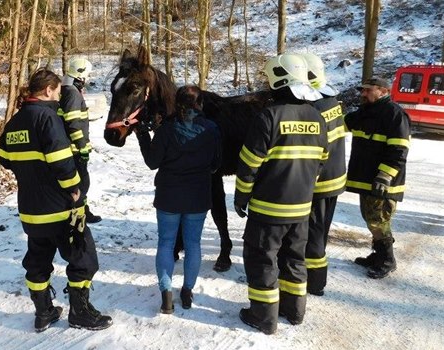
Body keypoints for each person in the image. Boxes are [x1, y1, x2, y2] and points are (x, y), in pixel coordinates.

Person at [0, 69, 112, 332]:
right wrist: (74, 189)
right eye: (58, 91)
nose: (60, 96)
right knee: (84, 259)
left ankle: (43, 313)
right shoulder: (48, 119)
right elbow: (62, 161)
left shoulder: (14, 122)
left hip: (30, 212)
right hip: (60, 210)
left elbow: (4, 158)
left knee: (37, 262)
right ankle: (80, 313)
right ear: (49, 90)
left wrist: (29, 169)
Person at [234, 54, 328, 335]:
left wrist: (241, 197)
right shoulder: (316, 116)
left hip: (268, 209)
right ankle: (294, 311)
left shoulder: (269, 116)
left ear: (279, 79)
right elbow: (321, 160)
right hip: (301, 209)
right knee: (294, 259)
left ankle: (263, 316)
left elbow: (249, 164)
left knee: (262, 259)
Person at [135, 85, 221, 314]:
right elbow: (215, 165)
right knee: (193, 244)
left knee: (166, 242)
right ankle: (187, 291)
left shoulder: (166, 130)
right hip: (198, 196)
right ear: (200, 104)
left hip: (168, 196)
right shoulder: (211, 129)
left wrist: (143, 135)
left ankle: (165, 293)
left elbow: (152, 162)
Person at [344, 77, 411, 279]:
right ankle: (378, 255)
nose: (363, 94)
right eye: (362, 90)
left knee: (378, 221)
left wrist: (384, 175)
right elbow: (341, 124)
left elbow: (399, 149)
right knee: (370, 218)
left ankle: (388, 260)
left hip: (383, 182)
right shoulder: (365, 112)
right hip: (367, 180)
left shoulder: (394, 114)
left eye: (367, 90)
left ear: (383, 91)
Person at [300, 53, 347, 296]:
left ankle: (315, 282)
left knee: (314, 233)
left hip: (319, 182)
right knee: (322, 229)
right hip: (336, 176)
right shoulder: (332, 100)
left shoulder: (313, 108)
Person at [59, 57, 102, 224]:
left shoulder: (67, 90)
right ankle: (81, 214)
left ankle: (81, 212)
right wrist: (82, 146)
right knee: (82, 183)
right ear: (81, 76)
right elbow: (73, 123)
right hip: (74, 149)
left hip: (70, 148)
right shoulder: (72, 93)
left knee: (79, 182)